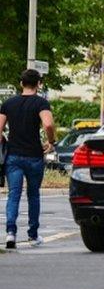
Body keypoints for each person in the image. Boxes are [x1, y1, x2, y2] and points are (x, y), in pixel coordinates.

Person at [0, 69, 57, 249]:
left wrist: (5, 142)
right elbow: (48, 124)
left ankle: (10, 233)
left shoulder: (8, 104)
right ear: (38, 84)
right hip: (34, 156)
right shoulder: (41, 103)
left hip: (13, 156)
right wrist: (51, 141)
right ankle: (33, 235)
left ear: (21, 83)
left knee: (13, 194)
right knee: (33, 195)